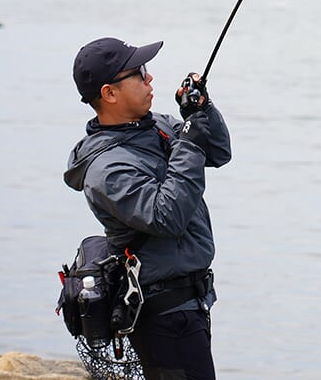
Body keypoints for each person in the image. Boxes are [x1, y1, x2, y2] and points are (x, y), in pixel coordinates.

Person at [64, 37, 232, 380]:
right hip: (164, 316)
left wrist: (200, 112)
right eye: (139, 73)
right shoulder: (107, 169)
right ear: (110, 93)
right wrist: (189, 146)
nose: (150, 78)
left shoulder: (157, 126)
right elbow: (166, 217)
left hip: (193, 303)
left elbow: (217, 152)